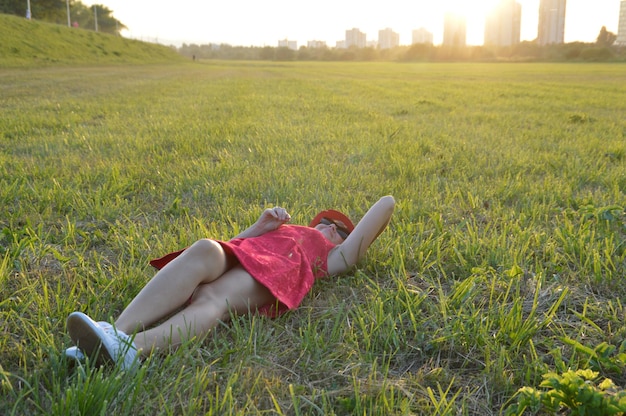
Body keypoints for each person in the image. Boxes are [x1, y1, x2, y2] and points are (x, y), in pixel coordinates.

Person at [65, 195, 395, 370]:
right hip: (247, 251)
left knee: (213, 297)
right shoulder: (285, 230)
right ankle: (113, 333)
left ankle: (129, 351)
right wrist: (259, 227)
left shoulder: (331, 257)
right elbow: (237, 246)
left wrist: (352, 242)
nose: (330, 227)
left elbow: (387, 203)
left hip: (277, 271)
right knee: (205, 247)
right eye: (325, 221)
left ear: (346, 242)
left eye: (341, 230)